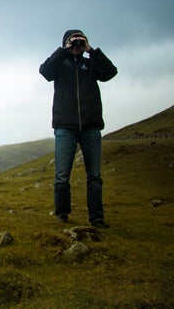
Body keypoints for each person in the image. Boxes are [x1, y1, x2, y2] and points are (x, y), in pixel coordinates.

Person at [39, 30, 117, 228]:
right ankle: (62, 215)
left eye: (80, 40)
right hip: (65, 127)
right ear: (65, 43)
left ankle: (97, 219)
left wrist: (91, 50)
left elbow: (110, 72)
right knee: (62, 176)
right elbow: (45, 72)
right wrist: (63, 50)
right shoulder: (59, 65)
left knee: (95, 176)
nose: (76, 44)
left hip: (91, 126)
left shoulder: (90, 64)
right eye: (73, 41)